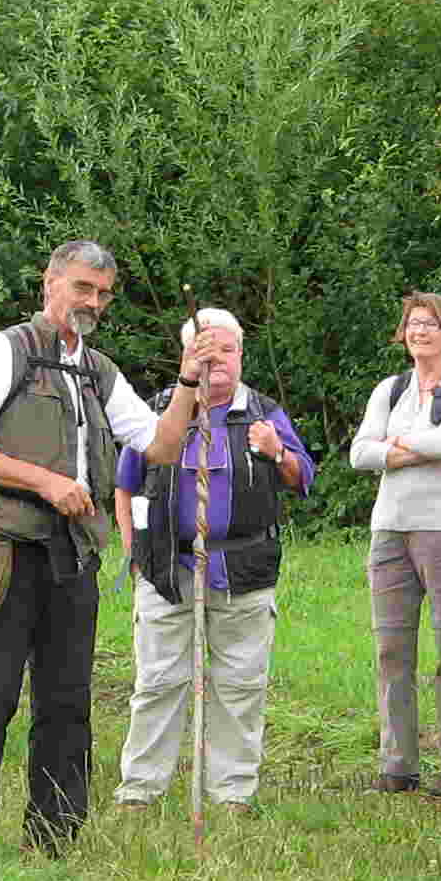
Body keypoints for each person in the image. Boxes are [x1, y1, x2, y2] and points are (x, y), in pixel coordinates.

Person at [0, 240, 220, 854]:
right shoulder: (4, 350)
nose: (92, 302)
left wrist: (188, 380)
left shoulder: (98, 370)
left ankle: (55, 840)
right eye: (82, 288)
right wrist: (47, 482)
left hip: (72, 556)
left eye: (102, 293)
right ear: (50, 284)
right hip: (2, 549)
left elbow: (163, 447)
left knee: (67, 701)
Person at [112, 308, 313, 812]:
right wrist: (133, 551)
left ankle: (232, 795)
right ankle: (140, 791)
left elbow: (303, 476)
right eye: (207, 350)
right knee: (158, 681)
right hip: (167, 569)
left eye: (228, 350)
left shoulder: (264, 413)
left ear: (241, 355)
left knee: (240, 686)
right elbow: (125, 484)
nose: (219, 359)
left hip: (243, 570)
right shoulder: (159, 410)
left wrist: (276, 452)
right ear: (188, 356)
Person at [349, 293, 441, 798]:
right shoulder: (390, 389)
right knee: (391, 648)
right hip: (390, 527)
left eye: (430, 325)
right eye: (412, 324)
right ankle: (398, 763)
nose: (419, 332)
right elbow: (359, 454)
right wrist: (405, 451)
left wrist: (393, 450)